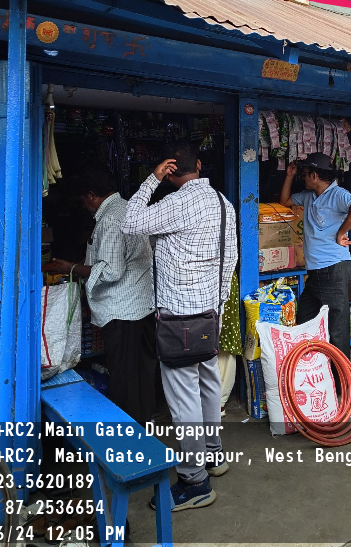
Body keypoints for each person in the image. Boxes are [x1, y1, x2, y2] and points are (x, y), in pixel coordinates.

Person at [121, 141, 237, 513]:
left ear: (171, 171)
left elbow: (130, 222)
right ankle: (213, 455)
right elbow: (230, 259)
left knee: (183, 399)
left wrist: (150, 180)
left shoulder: (176, 203)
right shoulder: (223, 203)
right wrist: (217, 305)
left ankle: (194, 480)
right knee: (208, 383)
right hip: (209, 313)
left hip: (178, 319)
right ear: (199, 165)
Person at [47, 168, 157, 427]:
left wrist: (71, 268)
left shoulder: (109, 219)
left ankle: (129, 431)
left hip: (121, 310)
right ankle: (144, 424)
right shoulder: (129, 208)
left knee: (125, 377)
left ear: (91, 195)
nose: (84, 207)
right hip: (143, 304)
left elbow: (111, 270)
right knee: (142, 372)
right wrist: (81, 263)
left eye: (83, 201)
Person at [280, 153, 351, 360]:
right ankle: (315, 368)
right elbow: (285, 201)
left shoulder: (338, 194)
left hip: (334, 269)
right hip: (316, 272)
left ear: (314, 176)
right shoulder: (308, 196)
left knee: (337, 330)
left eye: (305, 174)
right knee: (305, 318)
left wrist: (341, 232)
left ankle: (341, 378)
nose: (303, 178)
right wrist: (289, 176)